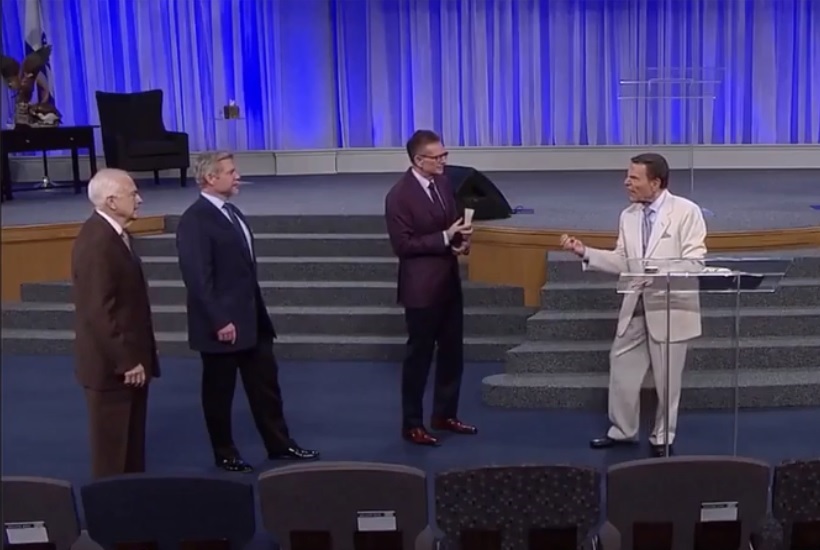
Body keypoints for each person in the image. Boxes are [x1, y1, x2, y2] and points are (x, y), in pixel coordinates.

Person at [175, 151, 318, 472]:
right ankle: (225, 453)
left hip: (252, 320)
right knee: (219, 393)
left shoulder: (231, 211)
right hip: (222, 326)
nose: (237, 176)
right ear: (211, 178)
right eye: (231, 172)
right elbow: (198, 278)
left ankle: (280, 444)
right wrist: (219, 320)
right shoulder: (195, 220)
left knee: (266, 387)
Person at [561, 153, 707, 457]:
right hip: (635, 304)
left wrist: (654, 270)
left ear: (655, 182)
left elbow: (695, 262)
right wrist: (586, 252)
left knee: (667, 381)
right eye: (627, 176)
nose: (626, 182)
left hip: (670, 307)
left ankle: (662, 437)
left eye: (634, 177)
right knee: (622, 368)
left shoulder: (686, 212)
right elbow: (623, 261)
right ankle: (623, 431)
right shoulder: (628, 216)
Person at [384, 130, 477, 446]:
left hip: (448, 283)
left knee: (452, 354)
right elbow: (403, 245)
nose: (443, 161)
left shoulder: (444, 184)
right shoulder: (399, 196)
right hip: (421, 290)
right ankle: (412, 424)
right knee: (419, 359)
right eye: (437, 157)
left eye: (444, 155)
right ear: (418, 160)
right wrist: (444, 237)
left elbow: (449, 226)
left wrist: (459, 242)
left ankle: (444, 415)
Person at [71, 168, 159, 479]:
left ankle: (130, 505)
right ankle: (110, 510)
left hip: (130, 362)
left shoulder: (116, 235)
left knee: (130, 450)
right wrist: (126, 361)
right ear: (111, 201)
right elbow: (98, 311)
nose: (140, 199)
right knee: (112, 456)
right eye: (132, 193)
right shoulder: (98, 242)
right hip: (112, 368)